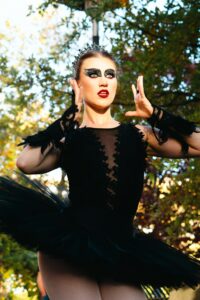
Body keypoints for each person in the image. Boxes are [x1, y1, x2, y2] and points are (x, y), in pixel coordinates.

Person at [0, 45, 200, 300]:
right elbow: (25, 163)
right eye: (93, 74)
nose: (104, 81)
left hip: (120, 250)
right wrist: (66, 119)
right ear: (78, 84)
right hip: (69, 247)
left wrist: (155, 114)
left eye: (110, 74)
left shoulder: (140, 134)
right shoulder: (68, 138)